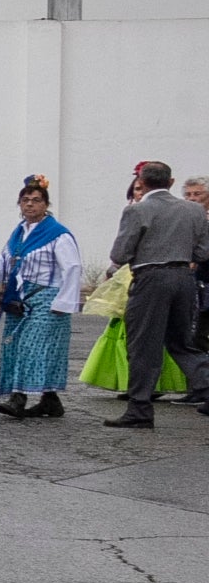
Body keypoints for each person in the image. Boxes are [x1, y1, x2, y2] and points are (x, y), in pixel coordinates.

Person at [105, 157, 209, 430]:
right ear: (171, 182)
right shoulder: (194, 210)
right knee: (182, 342)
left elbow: (120, 253)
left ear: (141, 182)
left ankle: (139, 408)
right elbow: (203, 252)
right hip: (184, 277)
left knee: (143, 346)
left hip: (150, 278)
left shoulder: (137, 211)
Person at [0, 173, 84, 418]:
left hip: (47, 298)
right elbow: (7, 262)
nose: (30, 204)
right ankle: (50, 399)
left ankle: (18, 399)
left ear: (46, 205)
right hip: (20, 298)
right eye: (25, 200)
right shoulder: (18, 233)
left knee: (34, 347)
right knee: (18, 345)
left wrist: (64, 301)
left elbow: (71, 267)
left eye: (36, 200)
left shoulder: (57, 234)